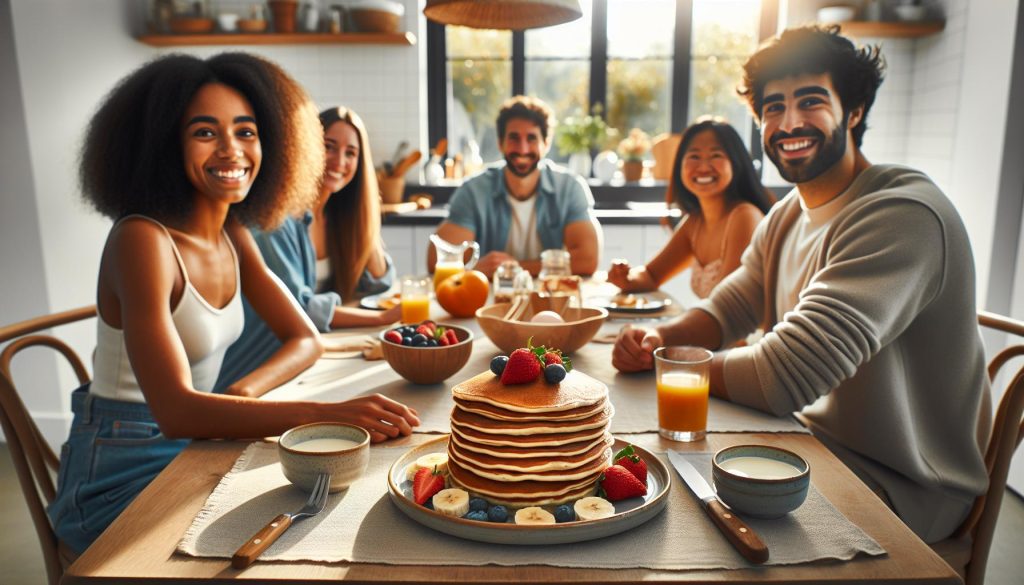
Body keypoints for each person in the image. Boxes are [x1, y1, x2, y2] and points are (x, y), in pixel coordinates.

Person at [612, 25, 990, 543]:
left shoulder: (901, 213)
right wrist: (662, 339)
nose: (788, 123)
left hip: (901, 488)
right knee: (651, 485)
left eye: (811, 101)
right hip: (806, 440)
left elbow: (786, 374)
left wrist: (680, 362)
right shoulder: (788, 213)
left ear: (854, 111)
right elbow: (727, 310)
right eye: (772, 108)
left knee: (669, 526)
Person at [47, 53, 420, 555]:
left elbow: (304, 338)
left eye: (246, 132)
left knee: (324, 514)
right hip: (121, 465)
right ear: (163, 144)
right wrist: (323, 413)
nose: (231, 150)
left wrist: (245, 391)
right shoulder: (142, 239)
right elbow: (177, 410)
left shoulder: (232, 233)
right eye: (205, 132)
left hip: (199, 441)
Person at [215, 106, 399, 391]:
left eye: (351, 153)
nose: (340, 161)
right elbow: (301, 306)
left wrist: (365, 219)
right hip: (253, 367)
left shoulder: (334, 216)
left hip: (296, 358)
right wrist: (382, 318)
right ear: (307, 150)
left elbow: (378, 283)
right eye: (329, 147)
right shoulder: (276, 219)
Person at [428, 95, 602, 279]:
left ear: (546, 144)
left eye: (532, 138)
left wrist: (513, 267)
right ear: (500, 143)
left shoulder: (570, 188)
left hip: (550, 297)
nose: (523, 149)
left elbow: (588, 260)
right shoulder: (473, 191)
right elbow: (436, 261)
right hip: (490, 300)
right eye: (514, 138)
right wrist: (477, 269)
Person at [607, 118, 774, 298]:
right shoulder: (695, 222)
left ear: (736, 163)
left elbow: (728, 305)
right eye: (694, 156)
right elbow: (651, 275)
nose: (703, 167)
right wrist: (625, 277)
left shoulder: (744, 216)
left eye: (716, 155)